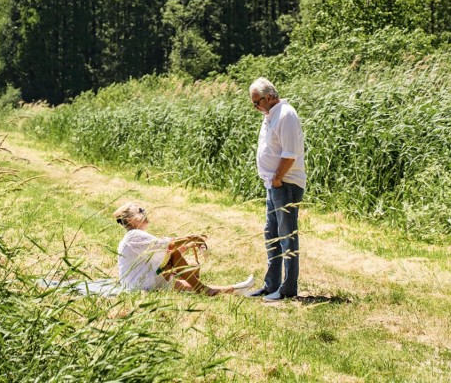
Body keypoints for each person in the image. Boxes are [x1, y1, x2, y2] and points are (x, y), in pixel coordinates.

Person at [246, 77, 306, 302]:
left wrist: (278, 179)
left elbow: (290, 154)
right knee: (271, 234)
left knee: (287, 236)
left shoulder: (286, 115)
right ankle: (270, 284)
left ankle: (288, 287)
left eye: (257, 102)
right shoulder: (270, 116)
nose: (255, 107)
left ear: (269, 97)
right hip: (272, 184)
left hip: (286, 183)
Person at [113, 202, 253, 296]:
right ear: (131, 220)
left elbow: (164, 253)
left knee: (192, 285)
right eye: (140, 212)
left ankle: (234, 289)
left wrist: (187, 245)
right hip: (140, 284)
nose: (145, 214)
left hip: (146, 280)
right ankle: (206, 289)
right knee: (195, 284)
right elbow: (168, 247)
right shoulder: (133, 235)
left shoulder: (135, 236)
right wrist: (191, 238)